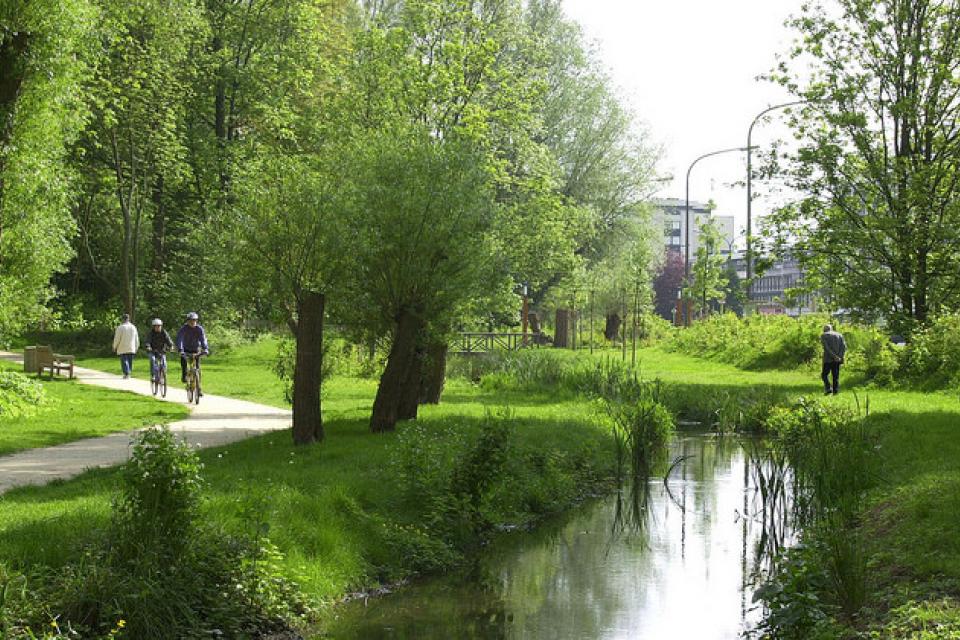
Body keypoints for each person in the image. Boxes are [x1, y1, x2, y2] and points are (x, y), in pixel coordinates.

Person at [176, 312, 209, 388]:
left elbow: (203, 339)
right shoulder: (183, 329)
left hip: (196, 349)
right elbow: (180, 339)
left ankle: (199, 387)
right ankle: (184, 376)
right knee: (184, 361)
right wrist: (181, 349)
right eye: (191, 320)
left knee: (198, 368)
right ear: (187, 321)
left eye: (194, 320)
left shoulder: (199, 329)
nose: (193, 322)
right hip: (185, 349)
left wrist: (205, 348)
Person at [821, 323, 847, 395]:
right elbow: (844, 347)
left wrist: (834, 356)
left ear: (824, 329)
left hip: (828, 359)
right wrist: (839, 356)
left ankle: (828, 388)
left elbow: (827, 348)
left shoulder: (824, 335)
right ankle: (835, 392)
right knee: (835, 376)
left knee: (824, 375)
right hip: (838, 360)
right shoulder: (839, 335)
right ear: (831, 329)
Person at [112, 313, 140, 378]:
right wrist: (137, 346)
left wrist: (114, 346)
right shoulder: (133, 327)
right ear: (128, 319)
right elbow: (136, 338)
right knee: (130, 361)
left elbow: (117, 338)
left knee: (124, 360)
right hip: (131, 347)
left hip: (122, 347)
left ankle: (126, 373)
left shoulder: (120, 327)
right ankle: (128, 372)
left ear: (122, 319)